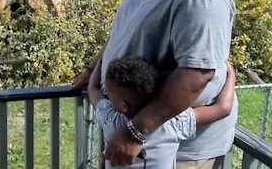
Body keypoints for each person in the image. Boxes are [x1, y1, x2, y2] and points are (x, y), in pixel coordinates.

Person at [74, 0, 236, 168]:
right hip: (133, 136)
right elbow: (121, 30)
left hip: (176, 152)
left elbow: (197, 74)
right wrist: (93, 68)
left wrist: (134, 132)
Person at [88, 56, 236, 168]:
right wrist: (231, 76)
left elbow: (92, 89)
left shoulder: (111, 119)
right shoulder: (173, 122)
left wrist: (99, 62)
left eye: (110, 95)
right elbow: (223, 108)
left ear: (124, 106)